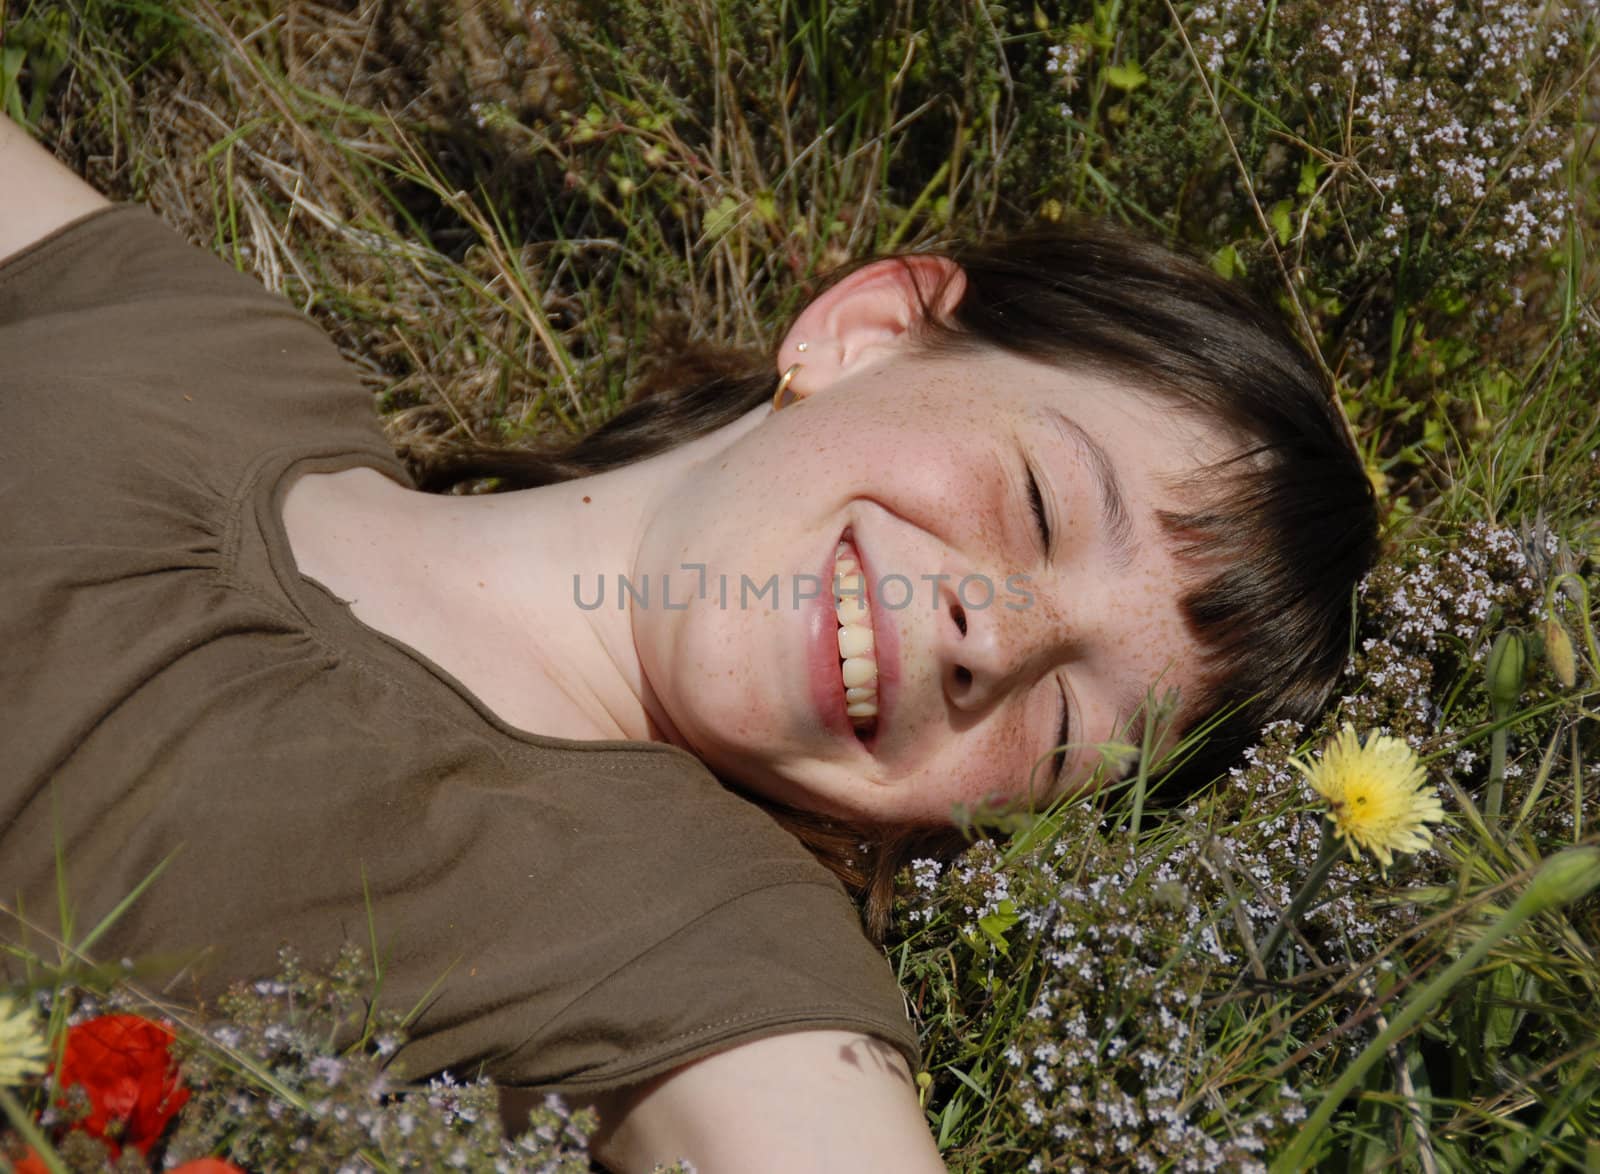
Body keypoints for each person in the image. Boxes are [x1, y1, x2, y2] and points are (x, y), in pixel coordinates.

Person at [0, 111, 1378, 1171]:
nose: (992, 641)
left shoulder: (701, 944)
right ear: (871, 331)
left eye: (1068, 725)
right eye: (1039, 505)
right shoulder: (215, 346)